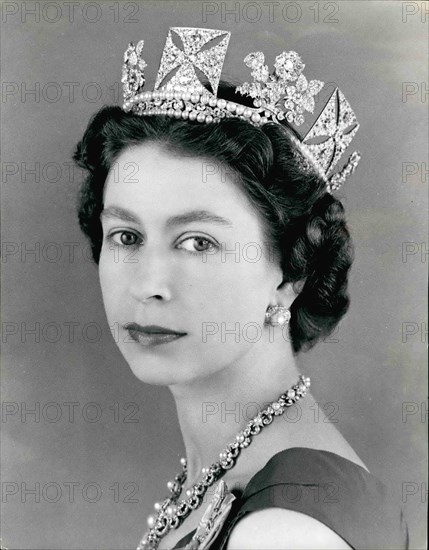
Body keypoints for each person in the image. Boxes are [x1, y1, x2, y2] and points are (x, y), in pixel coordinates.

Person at [72, 27, 408, 550]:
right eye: (127, 236)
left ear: (290, 271)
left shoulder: (287, 529)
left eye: (198, 242)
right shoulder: (228, 472)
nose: (148, 284)